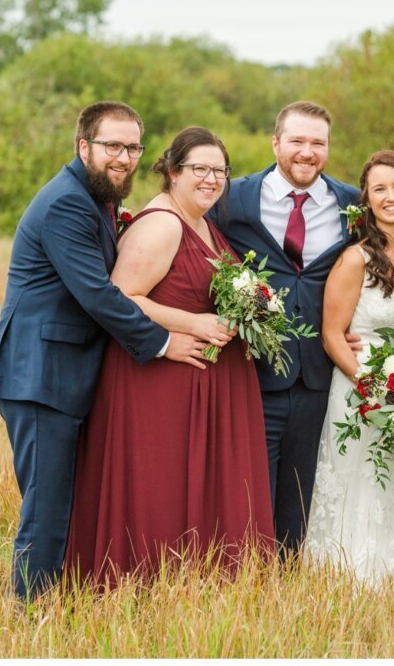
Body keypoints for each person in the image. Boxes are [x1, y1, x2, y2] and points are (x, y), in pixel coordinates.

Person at [0, 101, 206, 600]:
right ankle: (29, 612)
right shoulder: (66, 203)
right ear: (84, 146)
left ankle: (52, 599)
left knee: (59, 500)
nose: (124, 157)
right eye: (112, 146)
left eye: (132, 147)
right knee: (47, 505)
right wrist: (164, 341)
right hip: (39, 375)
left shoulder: (97, 196)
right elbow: (98, 294)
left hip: (62, 372)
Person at [63, 127, 275, 587]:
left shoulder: (202, 220)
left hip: (197, 380)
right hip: (161, 382)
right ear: (173, 171)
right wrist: (193, 323)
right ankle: (149, 585)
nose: (211, 179)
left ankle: (197, 584)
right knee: (161, 484)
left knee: (193, 488)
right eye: (200, 169)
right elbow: (120, 298)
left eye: (220, 171)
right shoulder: (162, 223)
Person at [210, 102, 359, 555]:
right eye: (297, 140)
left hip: (319, 374)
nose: (307, 152)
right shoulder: (232, 198)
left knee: (302, 490)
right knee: (247, 488)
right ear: (275, 143)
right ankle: (246, 579)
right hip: (252, 371)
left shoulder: (352, 204)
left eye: (318, 143)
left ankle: (289, 581)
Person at [304, 150, 394, 590]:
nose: (390, 197)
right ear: (366, 199)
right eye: (379, 189)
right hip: (360, 398)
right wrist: (377, 391)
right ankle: (352, 591)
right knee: (364, 490)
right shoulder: (355, 260)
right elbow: (331, 335)